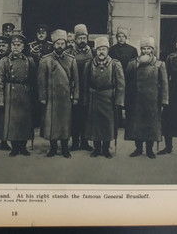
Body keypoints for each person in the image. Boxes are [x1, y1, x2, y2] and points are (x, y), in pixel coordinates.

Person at [124, 36, 169, 159]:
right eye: (143, 48)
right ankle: (138, 148)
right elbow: (126, 82)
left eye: (148, 48)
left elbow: (164, 84)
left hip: (152, 101)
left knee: (151, 126)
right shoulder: (133, 64)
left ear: (152, 49)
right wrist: (126, 99)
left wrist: (164, 100)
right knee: (136, 125)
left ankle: (150, 150)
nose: (145, 51)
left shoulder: (159, 64)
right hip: (136, 101)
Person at [37, 29, 79, 159]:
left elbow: (76, 80)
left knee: (65, 123)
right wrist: (43, 97)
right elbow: (41, 81)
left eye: (62, 43)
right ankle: (53, 148)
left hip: (66, 98)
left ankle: (65, 148)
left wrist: (76, 96)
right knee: (52, 123)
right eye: (57, 43)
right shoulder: (45, 60)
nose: (60, 46)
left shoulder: (71, 60)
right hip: (51, 97)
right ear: (53, 44)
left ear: (65, 44)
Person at [0, 32, 37, 157]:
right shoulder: (4, 61)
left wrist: (35, 98)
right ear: (10, 47)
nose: (16, 47)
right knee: (12, 122)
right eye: (13, 45)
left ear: (23, 47)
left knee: (24, 121)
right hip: (10, 93)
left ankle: (23, 147)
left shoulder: (29, 61)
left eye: (19, 45)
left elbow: (34, 80)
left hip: (25, 93)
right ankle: (14, 147)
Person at [83, 37, 125, 159]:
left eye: (104, 49)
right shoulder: (89, 64)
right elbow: (85, 84)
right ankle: (97, 148)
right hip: (93, 96)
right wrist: (85, 100)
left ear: (108, 51)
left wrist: (119, 101)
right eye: (99, 49)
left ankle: (106, 149)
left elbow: (121, 84)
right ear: (95, 50)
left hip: (108, 97)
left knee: (107, 124)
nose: (101, 52)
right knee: (95, 124)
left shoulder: (115, 64)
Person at [69, 24, 93, 152]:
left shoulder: (93, 52)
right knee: (74, 117)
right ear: (75, 40)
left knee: (86, 117)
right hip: (74, 90)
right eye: (80, 38)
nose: (82, 41)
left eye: (84, 38)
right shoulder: (70, 52)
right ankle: (74, 142)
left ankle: (85, 141)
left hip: (88, 90)